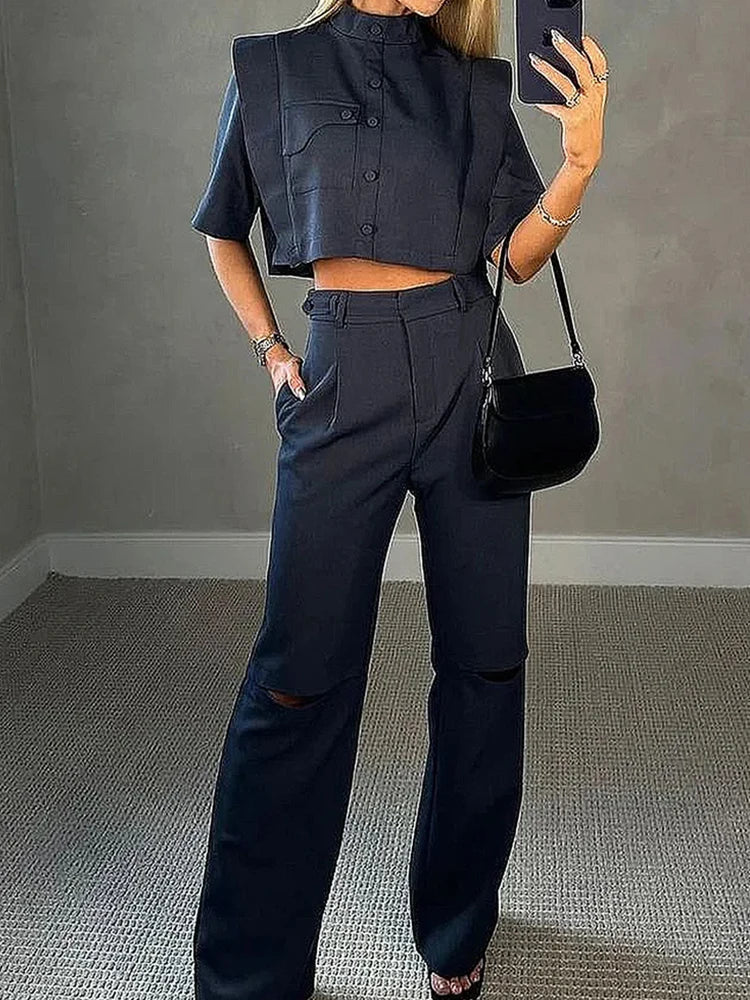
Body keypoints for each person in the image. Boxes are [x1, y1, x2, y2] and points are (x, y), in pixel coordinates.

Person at [188, 3, 608, 999]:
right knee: (297, 678)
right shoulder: (274, 68)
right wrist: (272, 348)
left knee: (486, 665)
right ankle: (250, 974)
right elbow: (222, 227)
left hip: (470, 367)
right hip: (342, 378)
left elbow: (513, 256)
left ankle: (456, 926)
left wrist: (580, 164)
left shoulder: (473, 83)